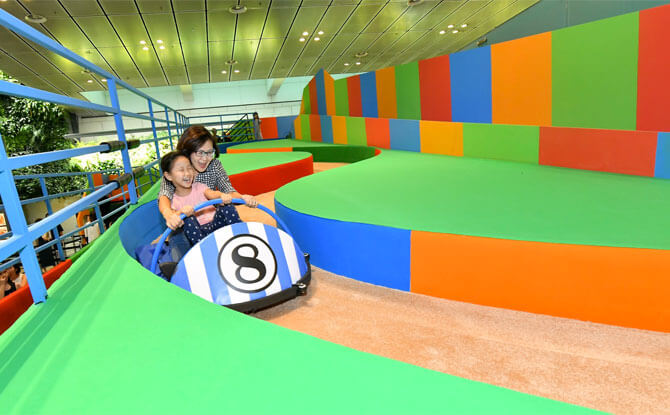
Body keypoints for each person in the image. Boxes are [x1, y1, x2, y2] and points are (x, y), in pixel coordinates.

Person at [157, 125, 257, 260]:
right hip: (187, 224)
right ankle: (182, 265)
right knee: (179, 240)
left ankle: (242, 245)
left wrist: (243, 198)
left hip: (211, 220)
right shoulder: (178, 168)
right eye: (199, 152)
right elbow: (164, 196)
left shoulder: (214, 166)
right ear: (188, 151)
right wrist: (169, 215)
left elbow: (227, 190)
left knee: (232, 215)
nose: (205, 158)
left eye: (209, 152)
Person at [161, 151, 242, 246]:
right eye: (181, 170)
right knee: (188, 219)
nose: (187, 173)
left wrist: (222, 196)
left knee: (226, 207)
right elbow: (174, 216)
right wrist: (182, 212)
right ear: (168, 176)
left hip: (215, 224)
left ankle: (240, 234)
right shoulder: (174, 200)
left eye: (189, 168)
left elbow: (212, 193)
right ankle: (205, 249)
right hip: (198, 234)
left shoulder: (199, 187)